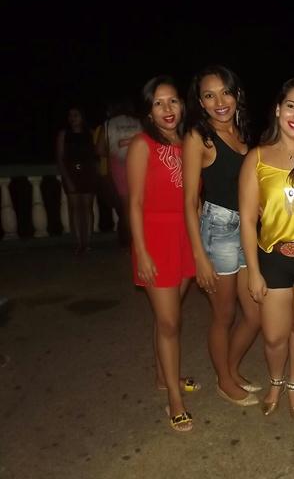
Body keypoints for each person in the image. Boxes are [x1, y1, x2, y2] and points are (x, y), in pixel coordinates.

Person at [239, 76, 294, 418]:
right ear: (278, 110)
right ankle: (275, 382)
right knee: (274, 336)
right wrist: (253, 271)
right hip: (272, 259)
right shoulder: (257, 158)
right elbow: (248, 219)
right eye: (291, 106)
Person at [183, 65, 261, 406]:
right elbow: (189, 201)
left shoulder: (244, 132)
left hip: (246, 229)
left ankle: (229, 369)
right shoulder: (199, 137)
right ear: (200, 102)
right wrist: (199, 257)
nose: (219, 102)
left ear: (237, 94)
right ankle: (225, 381)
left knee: (255, 315)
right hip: (218, 230)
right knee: (224, 315)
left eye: (225, 92)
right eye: (209, 95)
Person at [127, 75, 198, 432]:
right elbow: (135, 203)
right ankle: (174, 397)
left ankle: (162, 376)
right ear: (148, 112)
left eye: (172, 101)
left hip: (185, 237)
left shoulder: (189, 143)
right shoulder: (142, 145)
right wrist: (142, 252)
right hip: (156, 239)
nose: (167, 109)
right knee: (170, 322)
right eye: (158, 103)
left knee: (166, 315)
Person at [96, 97, 142, 246]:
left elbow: (100, 150)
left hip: (119, 166)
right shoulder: (139, 122)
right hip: (139, 165)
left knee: (126, 207)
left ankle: (131, 241)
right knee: (139, 204)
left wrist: (115, 150)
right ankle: (141, 240)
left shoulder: (109, 124)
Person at [55, 106, 97, 255]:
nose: (72, 118)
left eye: (76, 115)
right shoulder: (64, 134)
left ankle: (88, 242)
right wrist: (67, 178)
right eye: (70, 115)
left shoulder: (91, 133)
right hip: (71, 173)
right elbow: (60, 158)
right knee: (74, 209)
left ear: (82, 117)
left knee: (87, 208)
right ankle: (79, 243)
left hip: (88, 173)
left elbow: (96, 156)